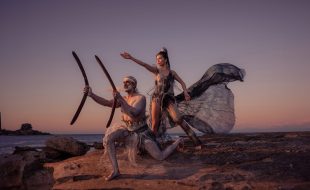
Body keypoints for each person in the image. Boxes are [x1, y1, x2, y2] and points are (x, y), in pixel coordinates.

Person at [84, 76, 182, 181]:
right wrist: (91, 95)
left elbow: (134, 113)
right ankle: (116, 171)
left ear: (134, 85)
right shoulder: (124, 99)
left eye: (128, 82)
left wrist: (121, 99)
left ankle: (178, 141)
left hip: (142, 134)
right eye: (124, 82)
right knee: (109, 139)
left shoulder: (141, 98)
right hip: (128, 131)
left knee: (159, 156)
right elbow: (107, 103)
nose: (125, 84)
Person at [120, 48, 202, 147]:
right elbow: (144, 65)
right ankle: (151, 146)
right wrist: (131, 58)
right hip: (157, 98)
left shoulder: (172, 73)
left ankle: (196, 141)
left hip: (168, 99)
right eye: (157, 59)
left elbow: (182, 83)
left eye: (160, 58)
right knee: (155, 124)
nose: (158, 61)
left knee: (178, 119)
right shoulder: (157, 71)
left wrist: (185, 93)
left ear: (165, 59)